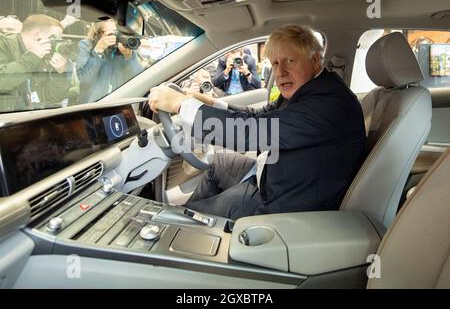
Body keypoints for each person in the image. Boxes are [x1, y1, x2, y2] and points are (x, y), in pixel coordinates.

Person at [149, 25, 366, 220]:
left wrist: (180, 105)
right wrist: (208, 101)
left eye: (290, 60)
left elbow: (251, 132)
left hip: (284, 203)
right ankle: (202, 221)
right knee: (218, 164)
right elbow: (256, 115)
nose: (280, 72)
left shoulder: (329, 104)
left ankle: (197, 227)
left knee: (190, 218)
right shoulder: (306, 91)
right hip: (274, 176)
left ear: (315, 60)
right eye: (275, 63)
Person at [0, 14, 72, 112]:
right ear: (36, 35)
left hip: (28, 118)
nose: (57, 42)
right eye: (53, 37)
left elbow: (53, 98)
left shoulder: (44, 55)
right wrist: (32, 57)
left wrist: (60, 73)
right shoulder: (3, 44)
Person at [76, 19, 143, 103]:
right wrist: (98, 50)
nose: (116, 37)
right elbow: (84, 79)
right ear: (98, 34)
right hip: (92, 105)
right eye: (111, 33)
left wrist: (129, 57)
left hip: (118, 103)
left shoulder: (123, 47)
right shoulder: (86, 45)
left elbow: (138, 79)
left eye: (117, 33)